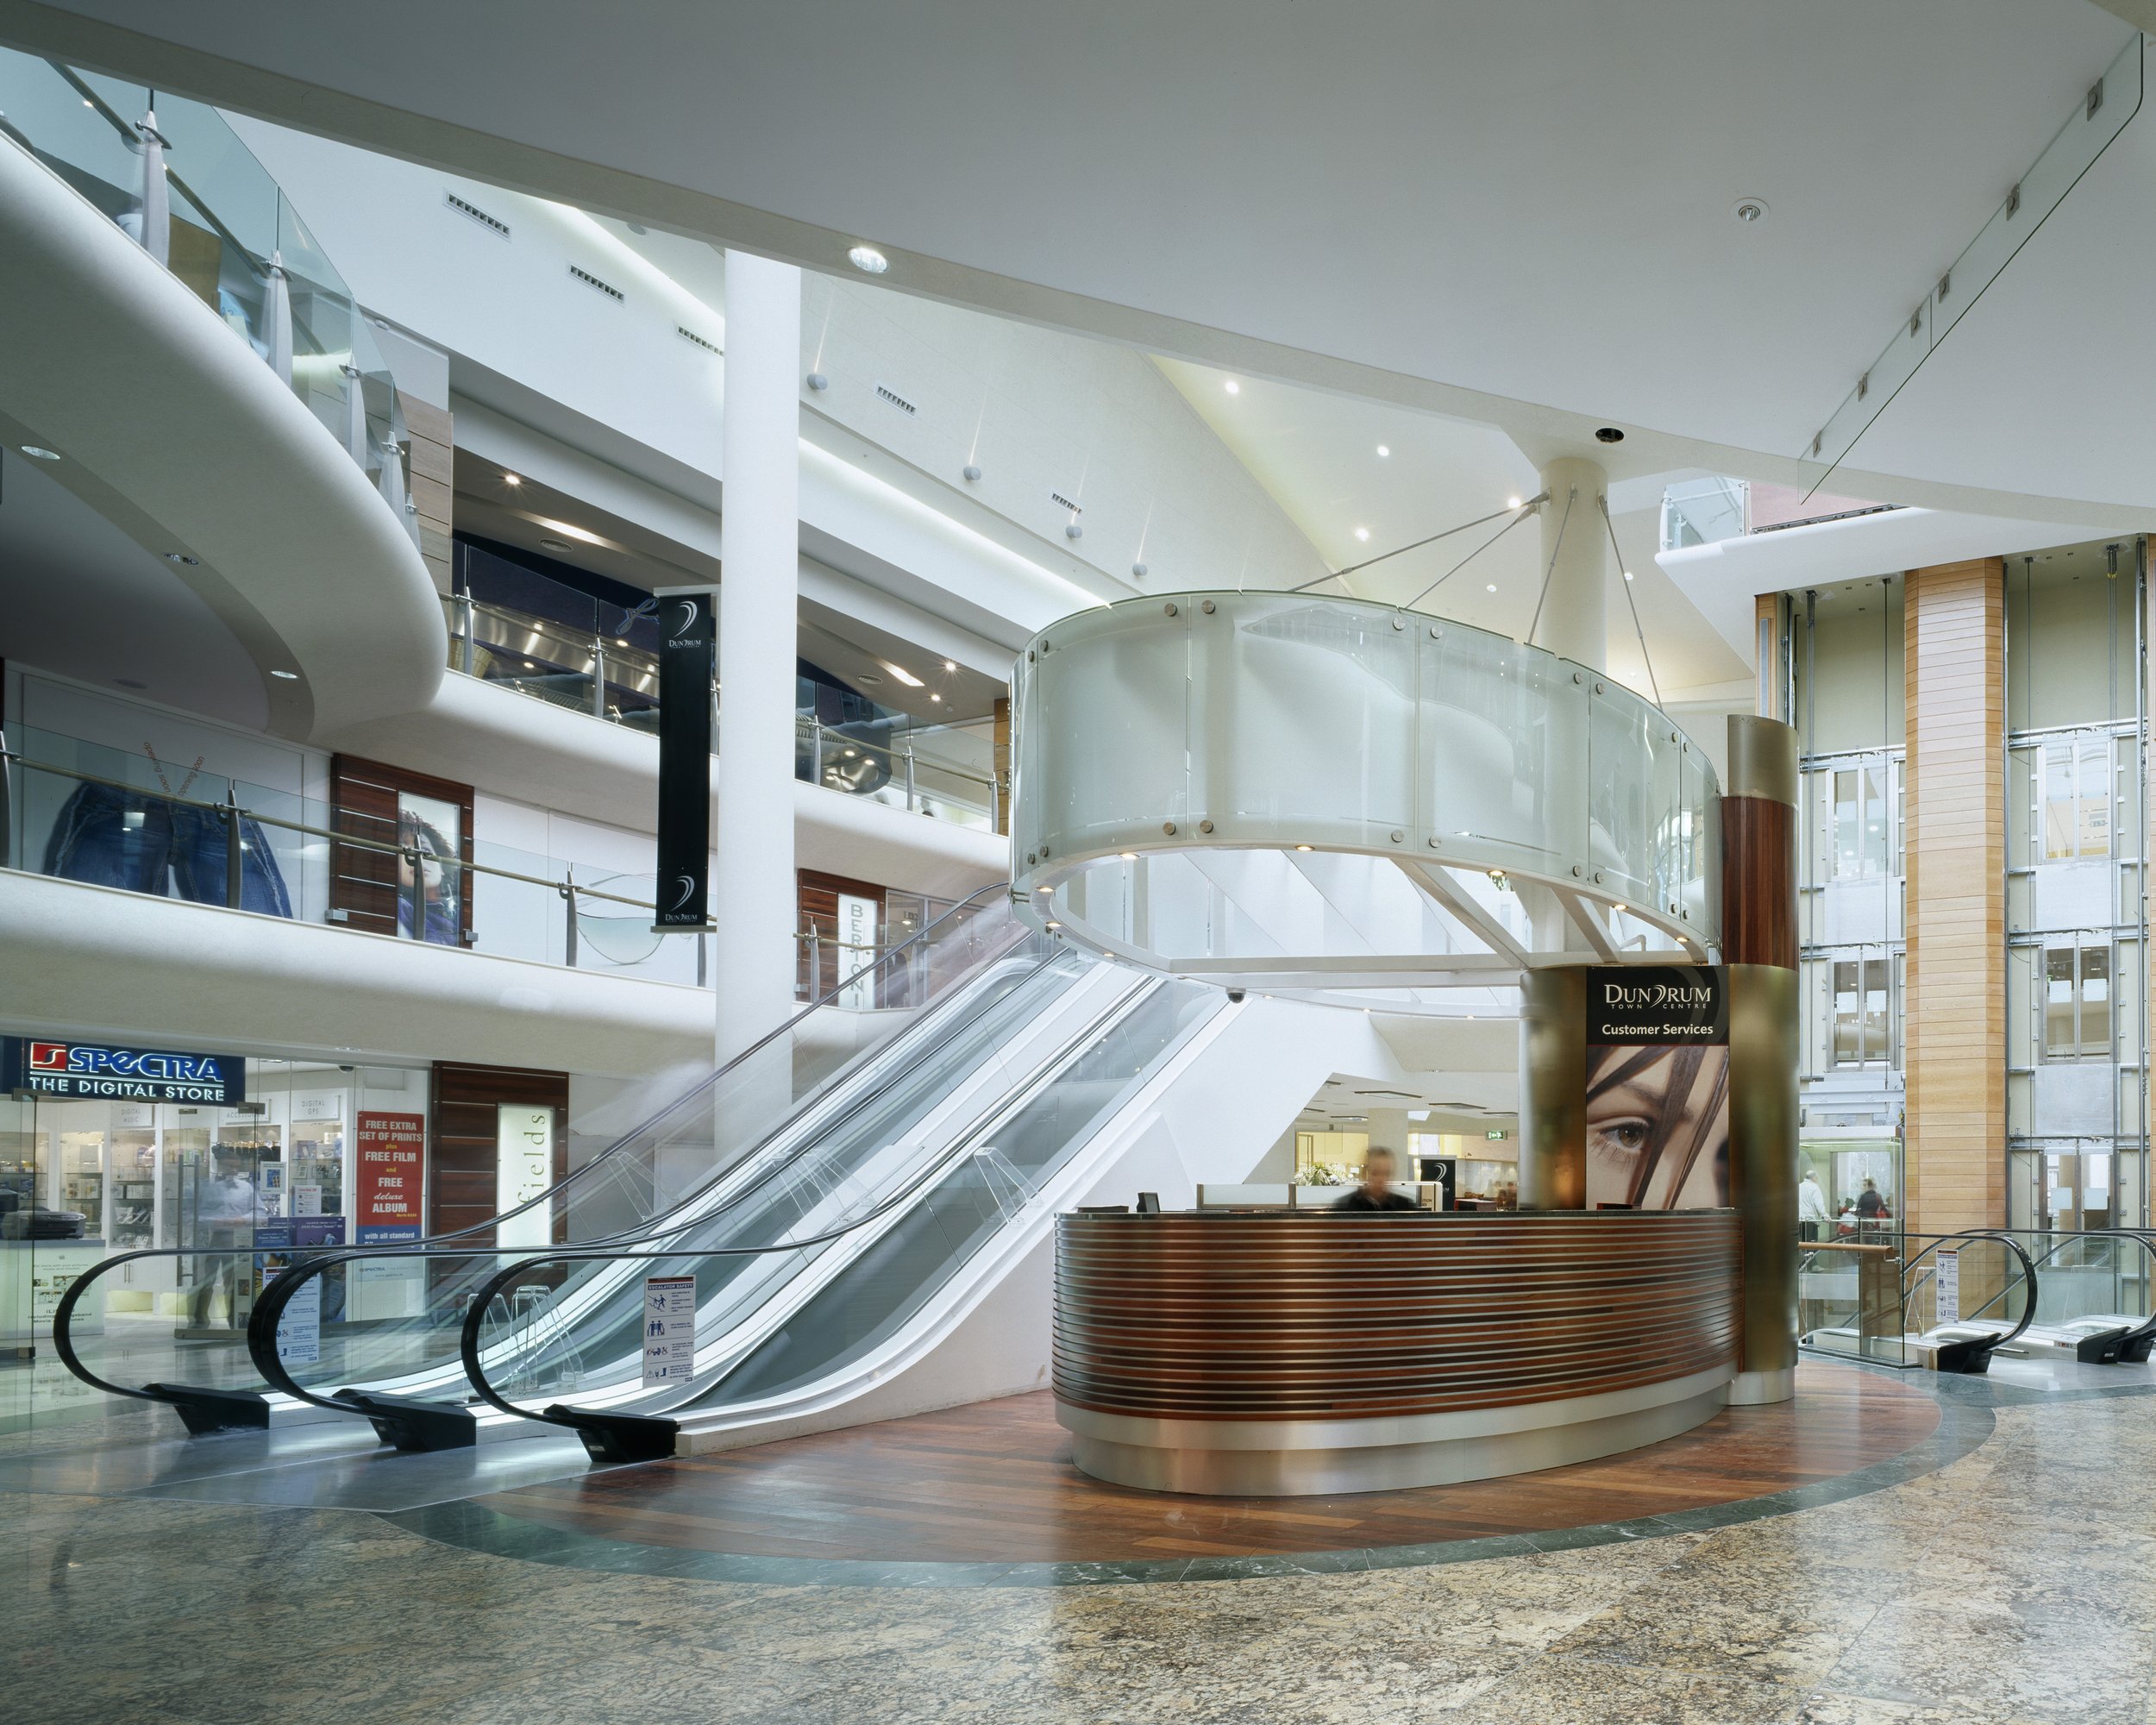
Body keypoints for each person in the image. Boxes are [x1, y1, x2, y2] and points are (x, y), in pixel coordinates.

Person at [1332, 1148, 1419, 1212]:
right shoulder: (1347, 1206)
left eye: (1386, 1173)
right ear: (1365, 1174)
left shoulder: (1403, 1206)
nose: (1381, 1179)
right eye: (1375, 1173)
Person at [1797, 1166, 1830, 1243]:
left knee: (1801, 1243)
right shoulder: (1814, 1187)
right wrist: (1825, 1216)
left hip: (1799, 1220)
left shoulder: (1799, 1187)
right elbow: (1819, 1204)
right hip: (1810, 1220)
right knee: (1811, 1245)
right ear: (1814, 1178)